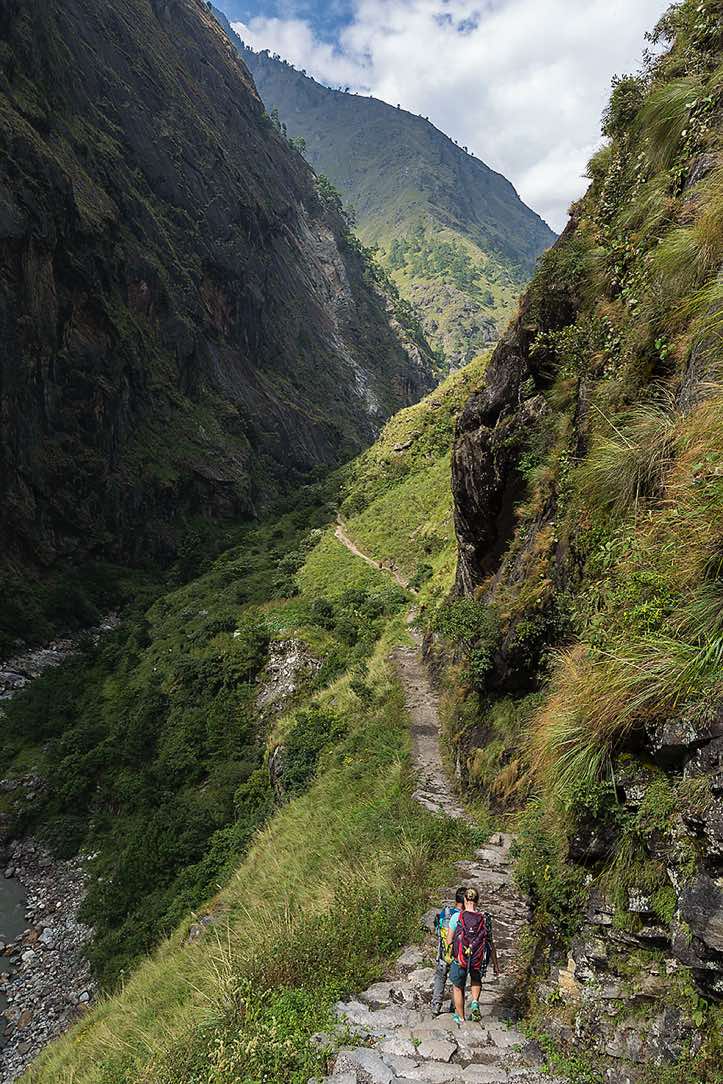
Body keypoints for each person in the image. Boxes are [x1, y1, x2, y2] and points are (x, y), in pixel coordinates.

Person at [449, 886, 500, 1024]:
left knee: (458, 986)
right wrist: (496, 964)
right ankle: (475, 1002)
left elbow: (449, 940)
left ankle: (461, 1018)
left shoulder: (457, 917)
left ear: (464, 900)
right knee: (476, 980)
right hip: (477, 958)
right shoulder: (484, 918)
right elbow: (490, 942)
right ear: (477, 901)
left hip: (460, 958)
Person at [431, 887, 465, 1016]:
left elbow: (437, 930)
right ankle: (454, 1007)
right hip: (458, 955)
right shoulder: (464, 917)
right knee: (458, 982)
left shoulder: (445, 912)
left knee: (440, 978)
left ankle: (436, 1006)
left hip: (443, 953)